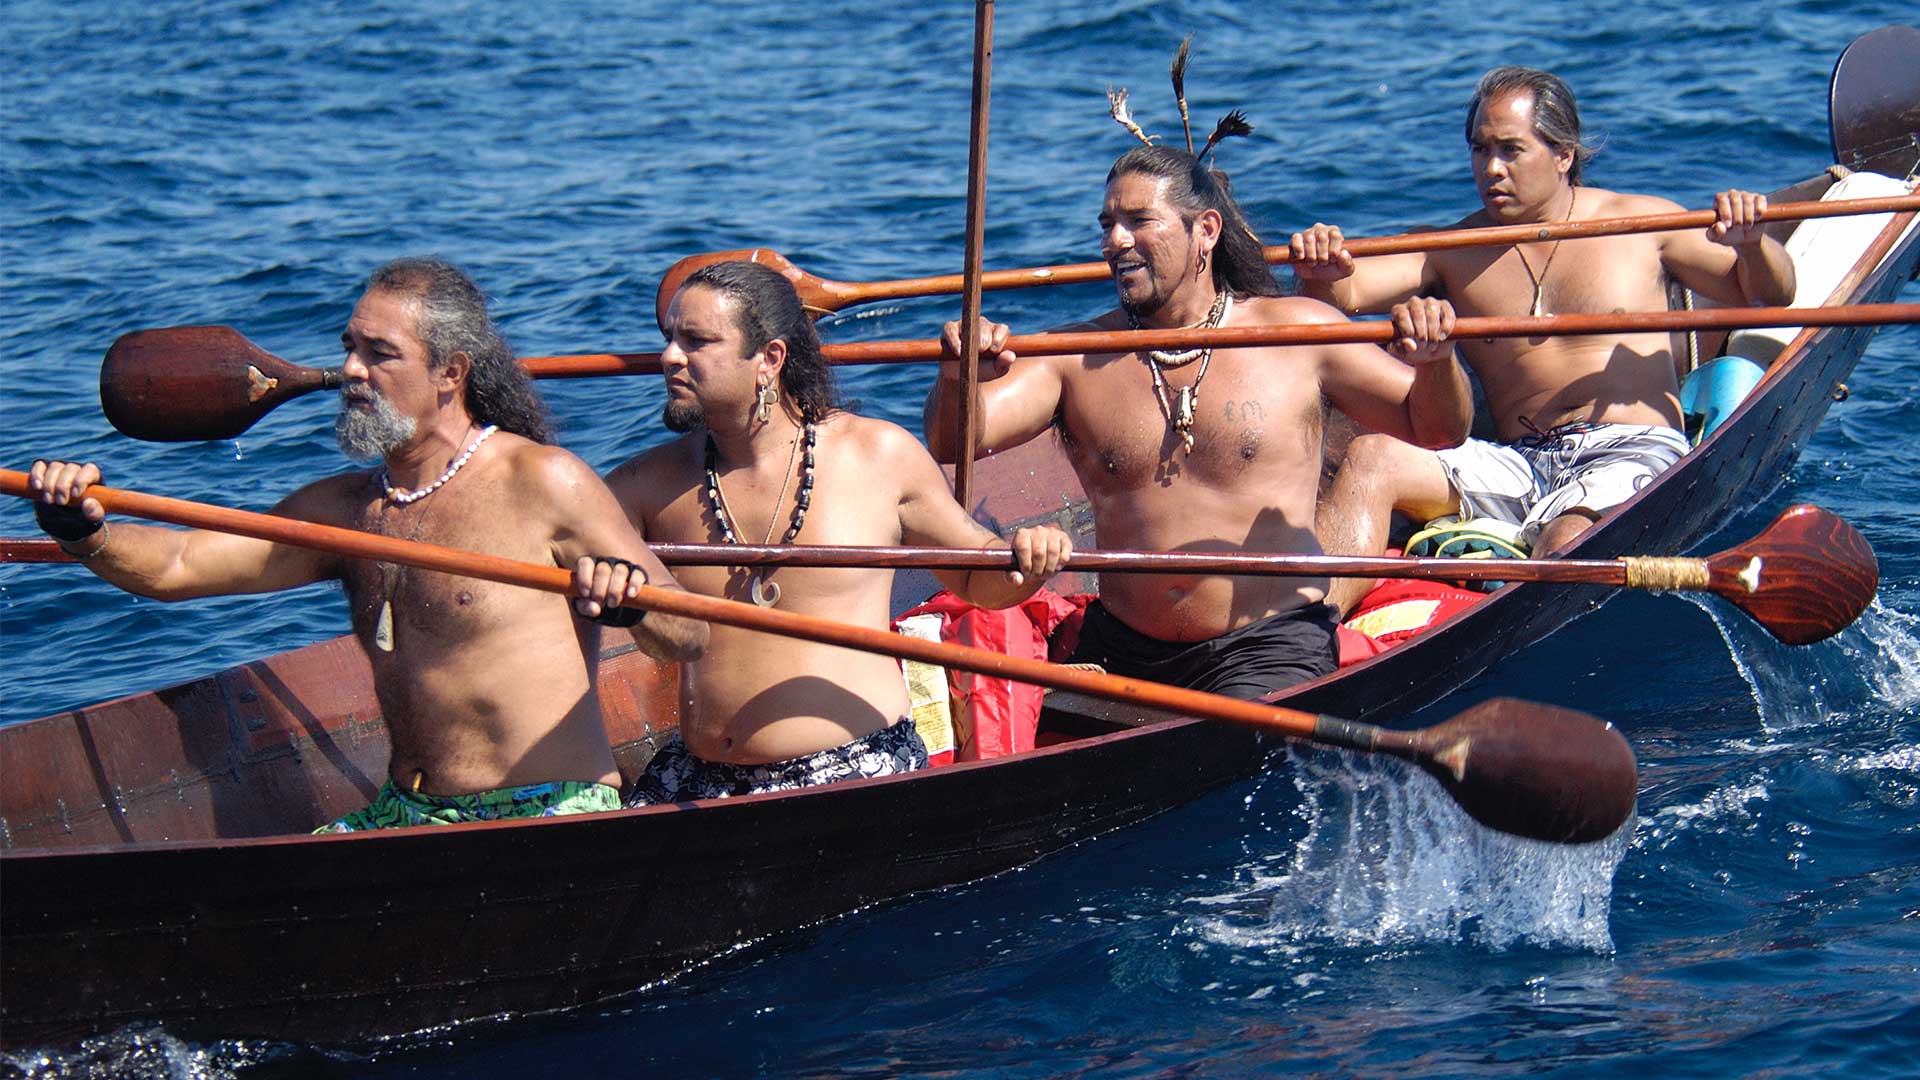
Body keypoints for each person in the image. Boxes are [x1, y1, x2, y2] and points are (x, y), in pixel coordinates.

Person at [28, 257, 708, 831]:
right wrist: (86, 530)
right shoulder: (348, 509)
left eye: (379, 354)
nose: (352, 371)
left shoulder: (543, 482)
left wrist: (630, 605)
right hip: (405, 813)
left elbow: (688, 631)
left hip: (550, 811)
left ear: (451, 373)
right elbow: (180, 565)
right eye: (350, 347)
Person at [926, 142, 1471, 700]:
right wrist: (955, 378)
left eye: (1139, 222)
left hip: (1268, 645)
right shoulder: (1075, 357)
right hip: (1121, 650)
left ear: (1205, 231)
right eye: (1107, 224)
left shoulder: (1298, 334)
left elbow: (1436, 429)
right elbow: (955, 441)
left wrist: (1437, 362)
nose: (1116, 241)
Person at [1294, 66, 1796, 613]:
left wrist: (1753, 245)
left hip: (1630, 451)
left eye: (1511, 150)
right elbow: (1344, 293)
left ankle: (1500, 638)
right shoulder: (1455, 247)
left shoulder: (1642, 224)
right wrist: (1322, 265)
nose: (1491, 169)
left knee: (1566, 538)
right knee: (1370, 459)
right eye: (1480, 150)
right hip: (1522, 462)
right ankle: (1311, 633)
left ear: (1564, 154)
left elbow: (1767, 294)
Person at [606, 260, 1073, 804]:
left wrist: (1028, 560)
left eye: (695, 340)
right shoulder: (645, 483)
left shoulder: (878, 455)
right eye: (668, 339)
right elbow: (557, 546)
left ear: (769, 360)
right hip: (700, 781)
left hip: (855, 776)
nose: (669, 357)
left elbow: (977, 576)